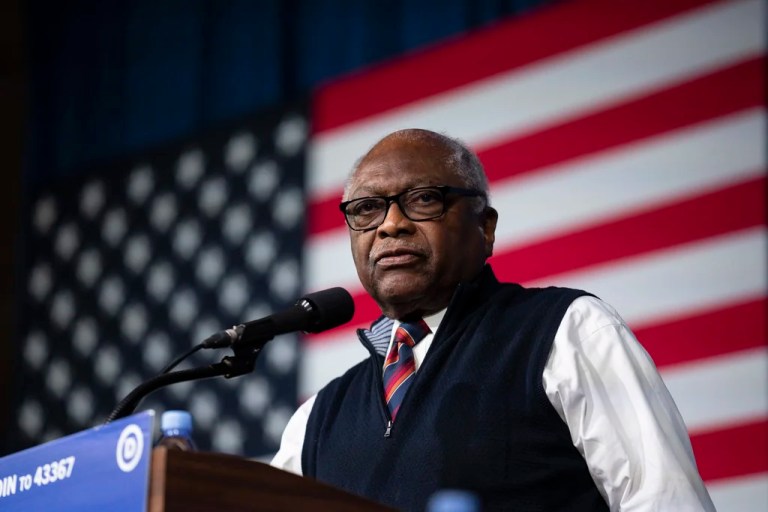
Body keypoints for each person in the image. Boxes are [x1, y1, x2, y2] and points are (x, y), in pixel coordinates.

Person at [271, 129, 715, 511]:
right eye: (367, 208)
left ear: (485, 228)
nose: (390, 225)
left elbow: (663, 501)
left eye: (423, 199)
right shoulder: (317, 417)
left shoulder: (566, 331)